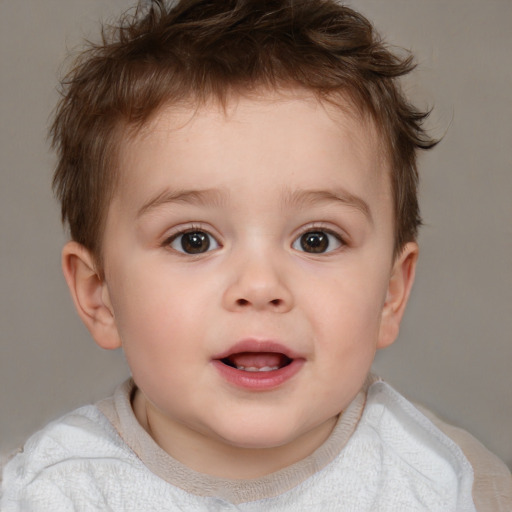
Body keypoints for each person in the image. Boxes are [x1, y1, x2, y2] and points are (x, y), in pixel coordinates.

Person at [1, 0, 510, 510]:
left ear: (391, 294)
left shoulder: (448, 485)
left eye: (317, 239)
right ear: (100, 294)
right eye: (193, 240)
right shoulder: (52, 492)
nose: (260, 286)